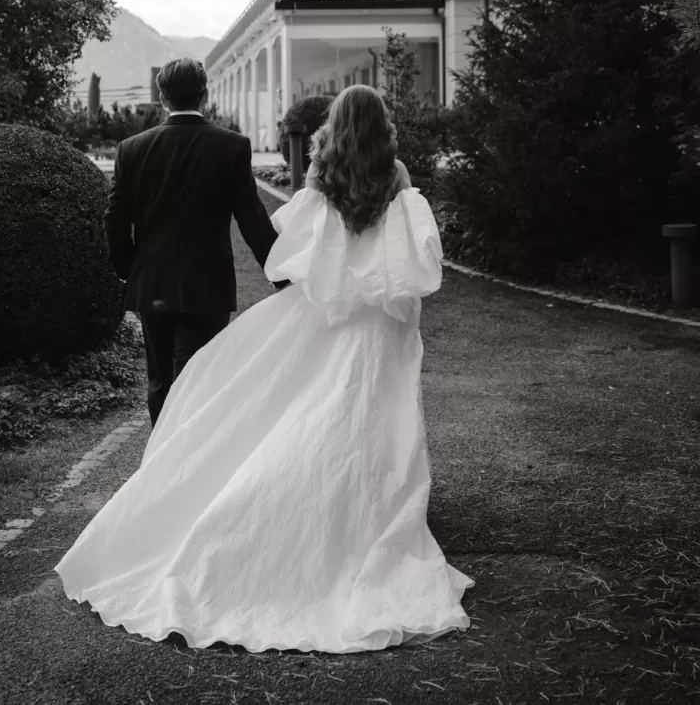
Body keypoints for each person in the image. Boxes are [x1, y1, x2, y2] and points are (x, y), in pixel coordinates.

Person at [55, 84, 474, 653]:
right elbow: (416, 264)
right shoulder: (398, 181)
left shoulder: (321, 180)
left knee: (310, 414)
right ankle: (363, 513)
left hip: (325, 319)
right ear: (382, 127)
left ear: (334, 126)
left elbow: (292, 253)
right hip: (376, 327)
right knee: (371, 419)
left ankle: (299, 510)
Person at [103, 56, 285, 426]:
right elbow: (252, 219)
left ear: (162, 96)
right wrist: (281, 275)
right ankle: (187, 467)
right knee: (199, 380)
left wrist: (128, 271)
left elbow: (115, 219)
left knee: (160, 381)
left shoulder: (132, 149)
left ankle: (160, 465)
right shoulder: (231, 146)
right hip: (207, 285)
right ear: (205, 94)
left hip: (152, 283)